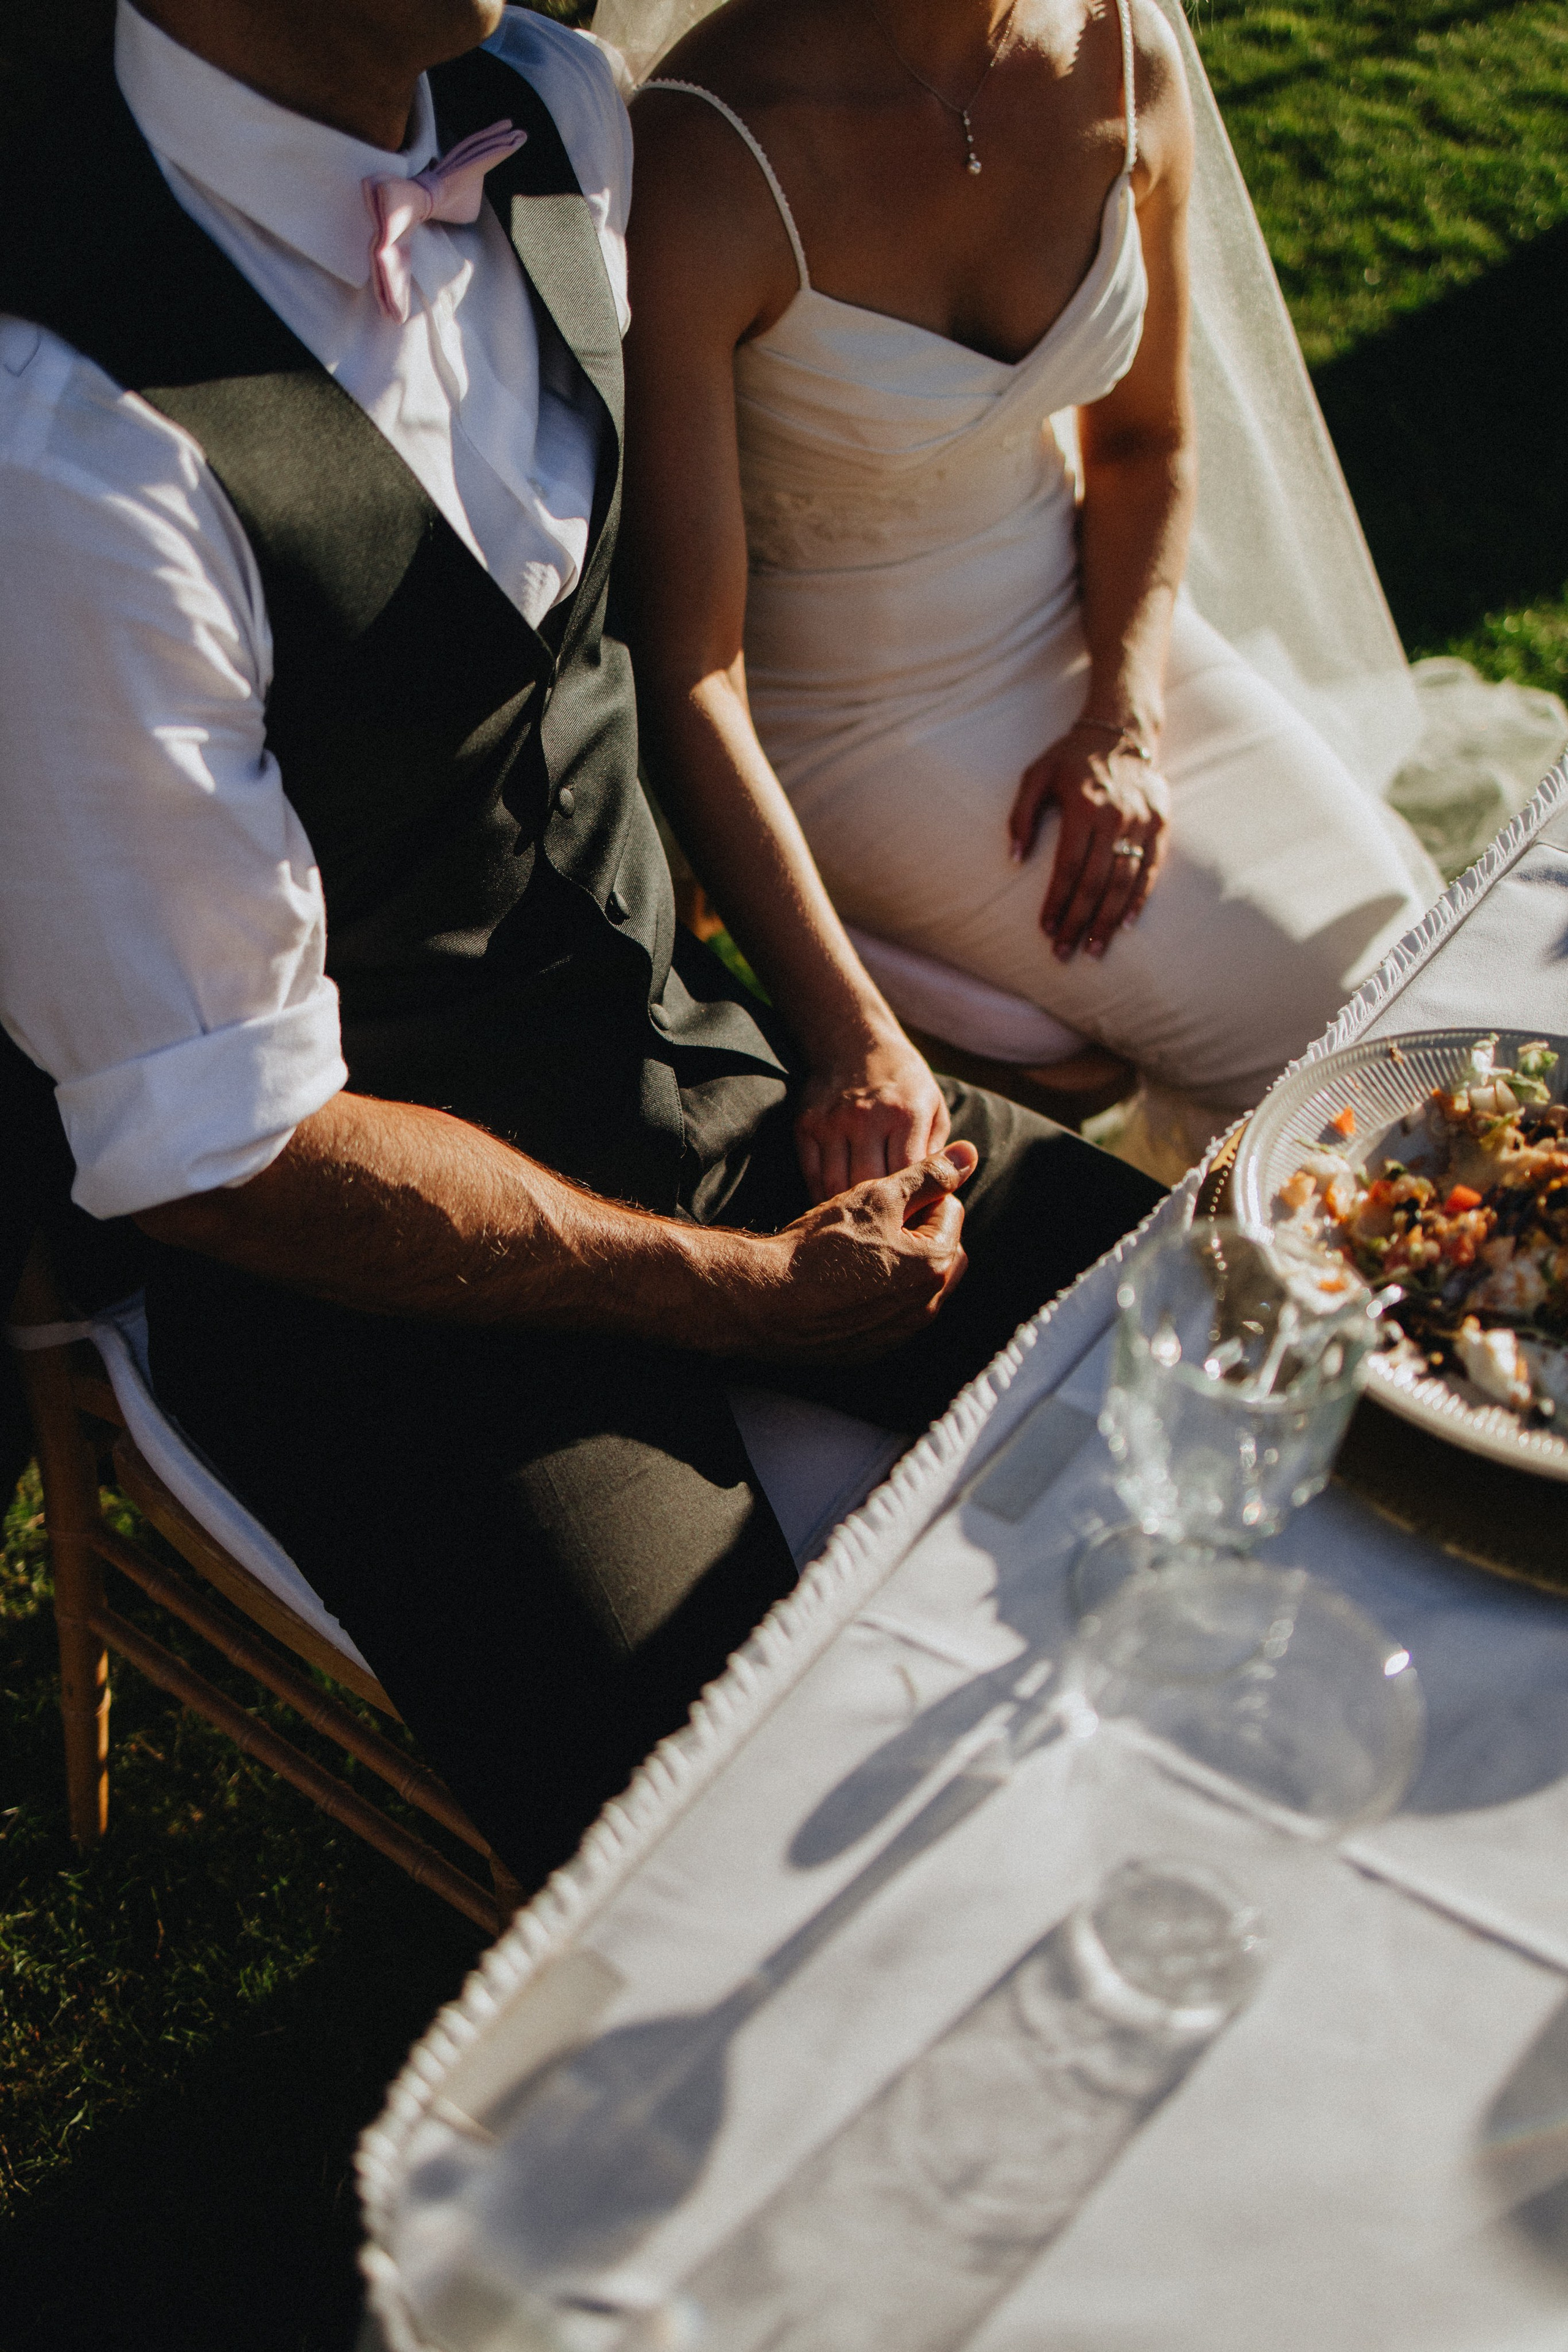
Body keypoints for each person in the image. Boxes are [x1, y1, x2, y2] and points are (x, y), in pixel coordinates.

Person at [0, 0, 1159, 1888]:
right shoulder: (59, 451)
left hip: (689, 1054)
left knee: (1249, 1367)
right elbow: (228, 1156)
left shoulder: (557, 101)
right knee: (744, 1862)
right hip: (375, 1297)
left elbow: (627, 667)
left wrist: (848, 1034)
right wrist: (735, 1293)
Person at [619, 0, 1443, 1180]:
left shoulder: (1125, 52)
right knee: (1324, 1080)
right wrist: (849, 1034)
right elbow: (686, 667)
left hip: (1093, 632)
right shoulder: (709, 149)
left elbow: (1143, 444)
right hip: (849, 718)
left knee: (1401, 975)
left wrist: (1122, 713)